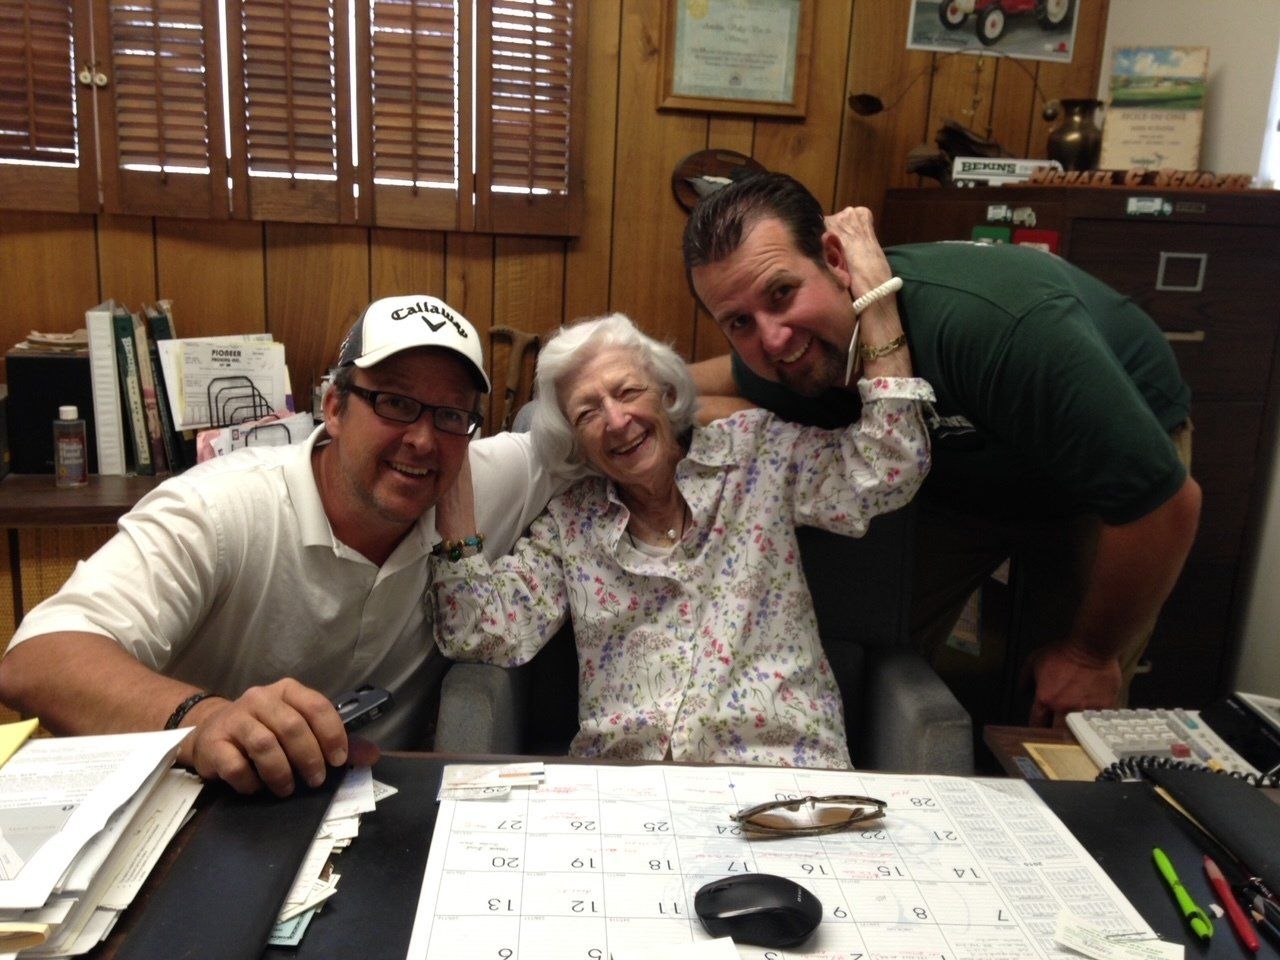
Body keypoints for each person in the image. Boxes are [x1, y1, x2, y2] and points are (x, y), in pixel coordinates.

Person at [682, 172, 1201, 729]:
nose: (774, 339)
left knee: (1068, 704)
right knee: (872, 633)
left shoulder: (992, 327)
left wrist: (1089, 655)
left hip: (1100, 485)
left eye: (782, 294)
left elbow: (1164, 504)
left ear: (836, 259)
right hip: (960, 468)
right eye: (739, 322)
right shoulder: (788, 356)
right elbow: (681, 388)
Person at [0, 295, 561, 796]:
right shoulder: (221, 509)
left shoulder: (481, 477)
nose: (421, 438)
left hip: (378, 811)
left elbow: (607, 431)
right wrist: (205, 720)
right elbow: (38, 659)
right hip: (206, 808)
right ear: (334, 408)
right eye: (395, 402)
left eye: (450, 415)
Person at [429, 311, 933, 768]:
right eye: (588, 413)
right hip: (630, 789)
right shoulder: (571, 522)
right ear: (573, 442)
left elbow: (890, 464)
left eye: (628, 392)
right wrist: (454, 496)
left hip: (783, 773)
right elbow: (481, 632)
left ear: (666, 392)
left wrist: (879, 301)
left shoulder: (755, 455)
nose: (617, 421)